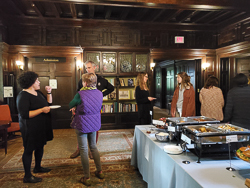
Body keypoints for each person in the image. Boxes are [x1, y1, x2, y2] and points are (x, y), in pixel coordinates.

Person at [70, 60, 114, 158]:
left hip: (95, 108)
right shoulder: (83, 79)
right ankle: (79, 149)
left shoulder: (101, 80)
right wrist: (74, 106)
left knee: (94, 129)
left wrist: (101, 95)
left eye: (89, 67)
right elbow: (77, 94)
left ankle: (92, 150)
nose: (87, 70)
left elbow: (111, 88)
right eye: (86, 68)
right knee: (81, 127)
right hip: (82, 108)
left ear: (95, 67)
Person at [16, 71, 53, 183]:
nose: (39, 82)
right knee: (28, 150)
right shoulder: (23, 96)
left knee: (39, 146)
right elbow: (25, 114)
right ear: (31, 82)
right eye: (37, 80)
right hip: (30, 127)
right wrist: (41, 110)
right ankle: (27, 176)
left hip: (40, 126)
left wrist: (49, 92)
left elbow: (48, 104)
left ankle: (37, 167)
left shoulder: (38, 92)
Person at [69, 73, 104, 186]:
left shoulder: (80, 94)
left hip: (82, 124)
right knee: (93, 147)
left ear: (84, 83)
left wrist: (74, 107)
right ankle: (100, 171)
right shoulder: (100, 93)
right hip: (94, 123)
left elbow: (71, 104)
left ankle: (87, 177)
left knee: (84, 149)